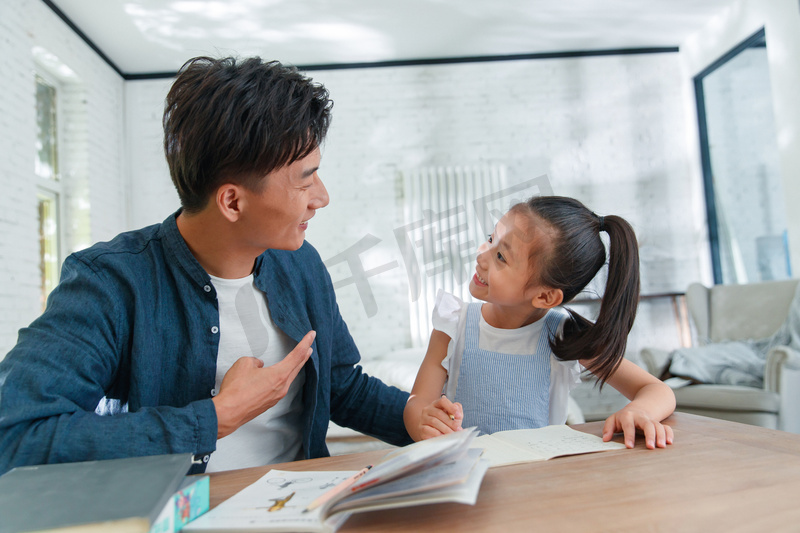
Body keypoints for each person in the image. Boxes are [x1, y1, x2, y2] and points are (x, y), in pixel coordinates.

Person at [0, 56, 411, 476]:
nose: (321, 197)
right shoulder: (110, 283)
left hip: (303, 506)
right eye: (305, 179)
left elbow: (341, 387)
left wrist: (414, 417)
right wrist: (217, 417)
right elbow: (15, 436)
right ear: (232, 201)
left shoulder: (302, 263)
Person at [403, 196, 676, 449]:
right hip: (467, 477)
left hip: (537, 481)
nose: (481, 255)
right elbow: (418, 402)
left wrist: (638, 411)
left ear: (545, 296)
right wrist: (423, 422)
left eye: (500, 256)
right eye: (490, 238)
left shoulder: (565, 335)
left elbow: (657, 390)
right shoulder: (453, 325)